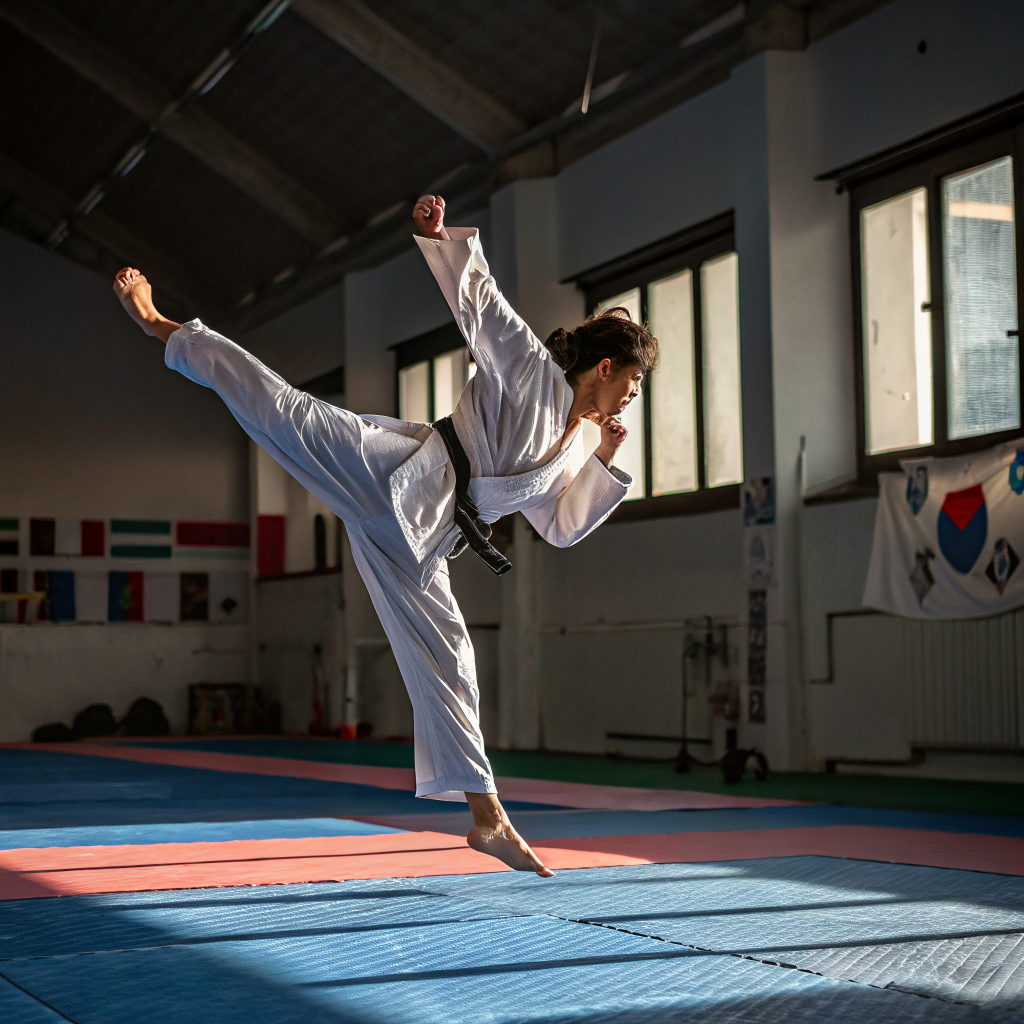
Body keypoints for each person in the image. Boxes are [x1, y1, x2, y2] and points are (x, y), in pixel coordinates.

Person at [113, 194, 658, 877]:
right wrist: (437, 237)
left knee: (455, 664)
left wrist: (604, 458)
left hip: (425, 543)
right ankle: (162, 324)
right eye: (635, 380)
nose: (636, 394)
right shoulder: (530, 372)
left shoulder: (578, 448)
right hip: (395, 472)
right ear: (606, 368)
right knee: (282, 409)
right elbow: (480, 304)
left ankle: (488, 820)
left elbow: (556, 526)